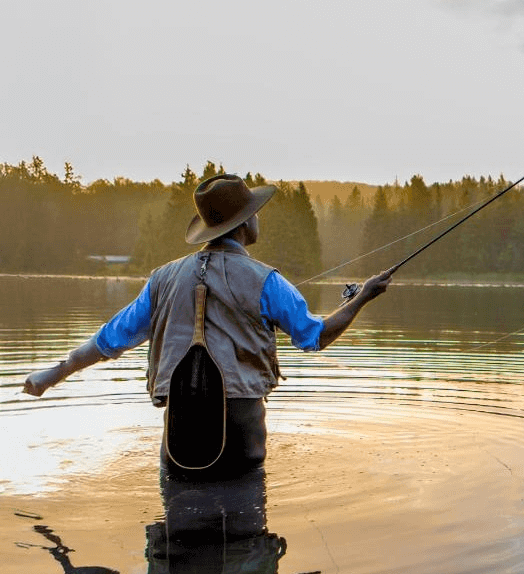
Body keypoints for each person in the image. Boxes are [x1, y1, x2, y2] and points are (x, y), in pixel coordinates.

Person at [22, 173, 392, 478]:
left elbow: (109, 340)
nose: (258, 217)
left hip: (179, 439)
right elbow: (315, 337)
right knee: (247, 557)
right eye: (255, 212)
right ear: (245, 223)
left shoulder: (162, 280)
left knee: (173, 550)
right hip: (242, 441)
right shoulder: (267, 281)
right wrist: (362, 298)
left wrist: (53, 374)